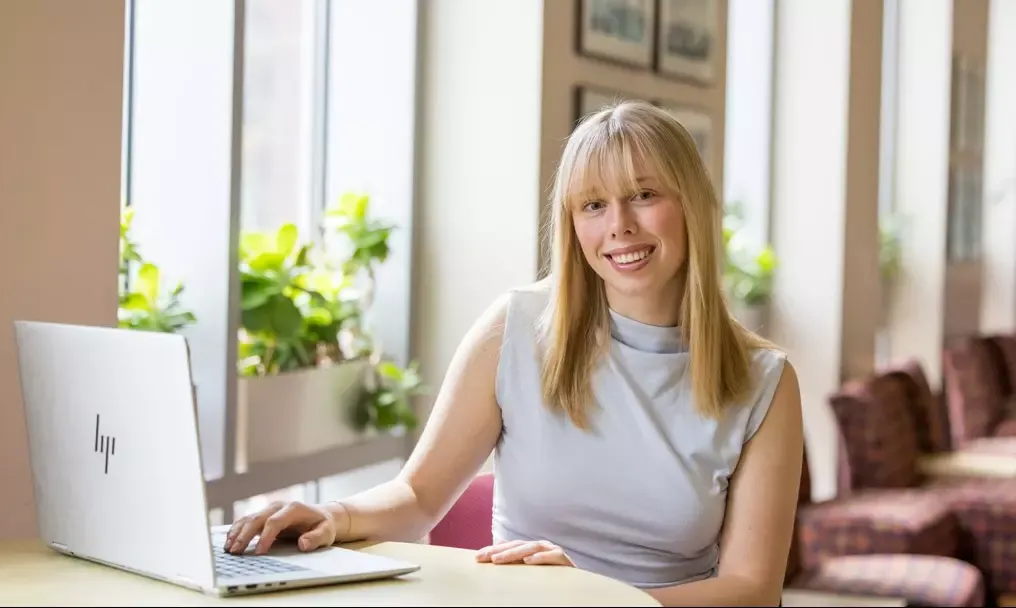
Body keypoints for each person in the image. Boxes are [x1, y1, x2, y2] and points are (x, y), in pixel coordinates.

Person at [224, 101, 804, 607]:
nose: (619, 226)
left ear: (692, 205)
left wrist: (599, 601)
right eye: (593, 205)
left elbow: (751, 589)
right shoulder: (517, 328)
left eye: (644, 196)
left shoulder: (765, 382)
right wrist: (335, 516)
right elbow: (418, 497)